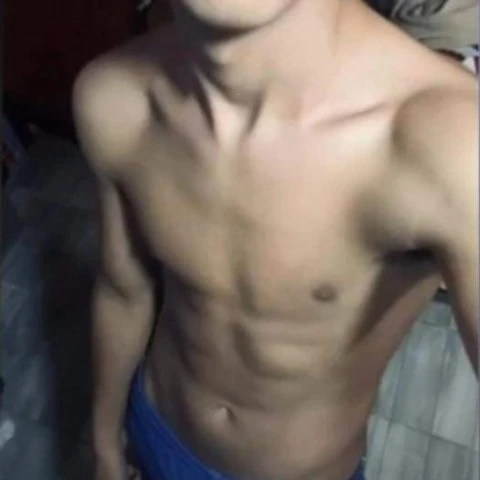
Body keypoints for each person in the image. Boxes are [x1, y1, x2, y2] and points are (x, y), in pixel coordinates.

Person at [73, 0, 478, 479]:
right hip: (155, 427)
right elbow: (123, 289)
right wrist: (104, 441)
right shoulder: (114, 98)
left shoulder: (449, 145)